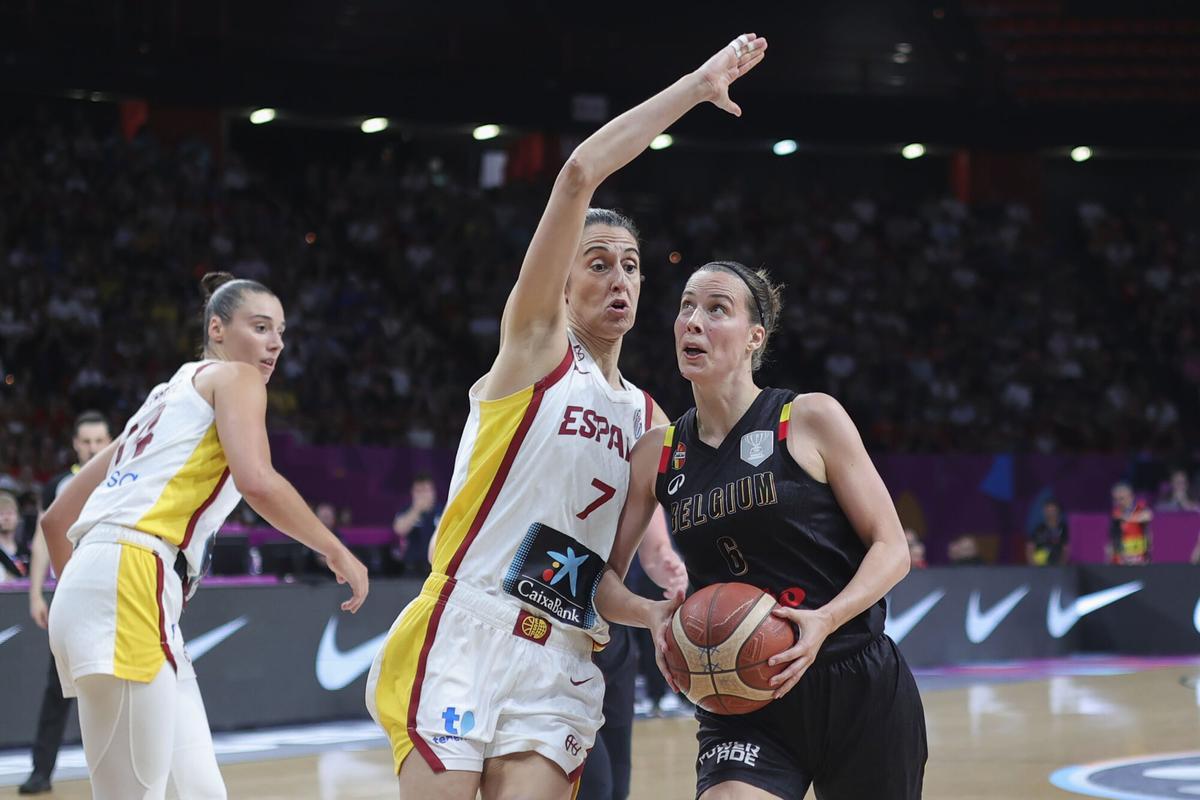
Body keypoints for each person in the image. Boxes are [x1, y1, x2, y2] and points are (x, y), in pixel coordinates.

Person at [365, 33, 768, 800]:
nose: (619, 277)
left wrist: (657, 612)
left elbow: (596, 578)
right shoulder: (536, 348)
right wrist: (695, 85)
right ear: (560, 284)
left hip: (559, 656)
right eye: (598, 261)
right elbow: (580, 172)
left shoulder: (650, 418)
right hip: (468, 625)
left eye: (632, 265)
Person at [595, 261, 925, 799]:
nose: (693, 321)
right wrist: (651, 613)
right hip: (741, 698)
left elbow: (892, 550)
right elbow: (603, 581)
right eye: (685, 307)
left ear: (755, 338)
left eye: (716, 309)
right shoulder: (658, 453)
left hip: (854, 676)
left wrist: (824, 621)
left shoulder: (809, 418)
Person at [41, 272, 369, 800]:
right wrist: (337, 549)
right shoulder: (236, 379)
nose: (276, 342)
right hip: (132, 575)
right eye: (259, 326)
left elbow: (56, 519)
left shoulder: (162, 399)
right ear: (217, 328)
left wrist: (85, 590)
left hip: (106, 581)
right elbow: (257, 481)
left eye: (280, 331)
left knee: (198, 789)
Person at [19, 410, 112, 796]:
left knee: (119, 684)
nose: (92, 447)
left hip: (118, 591)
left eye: (99, 441)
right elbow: (42, 539)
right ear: (75, 443)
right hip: (71, 595)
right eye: (86, 441)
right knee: (57, 687)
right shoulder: (59, 485)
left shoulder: (127, 477)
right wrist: (36, 592)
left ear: (110, 443)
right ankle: (41, 771)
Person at [578, 509, 687, 800]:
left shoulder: (632, 465)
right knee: (594, 786)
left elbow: (654, 548)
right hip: (558, 642)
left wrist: (666, 561)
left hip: (613, 638)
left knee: (617, 784)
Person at [393, 471, 442, 576]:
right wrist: (417, 510)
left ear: (433, 492)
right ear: (412, 493)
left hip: (435, 570)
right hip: (411, 569)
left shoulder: (441, 511)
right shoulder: (407, 510)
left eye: (425, 490)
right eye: (418, 491)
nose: (422, 495)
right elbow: (399, 530)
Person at [1108, 481, 1152, 565]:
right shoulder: (1115, 513)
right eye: (1116, 499)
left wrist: (1127, 518)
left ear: (1131, 496)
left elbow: (1148, 516)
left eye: (1121, 498)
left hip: (1140, 559)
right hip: (1122, 561)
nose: (1119, 502)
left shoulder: (1140, 508)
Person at [1027, 498, 1068, 566]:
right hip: (1040, 568)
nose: (1050, 513)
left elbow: (1067, 550)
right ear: (1044, 511)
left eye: (1053, 510)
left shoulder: (1064, 529)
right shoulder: (1038, 529)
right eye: (1048, 510)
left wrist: (1061, 566)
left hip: (1057, 567)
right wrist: (1033, 566)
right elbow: (1029, 548)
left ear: (1058, 511)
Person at [0, 490, 28, 580]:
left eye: (10, 513)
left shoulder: (26, 551)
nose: (6, 518)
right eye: (1, 514)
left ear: (18, 517)